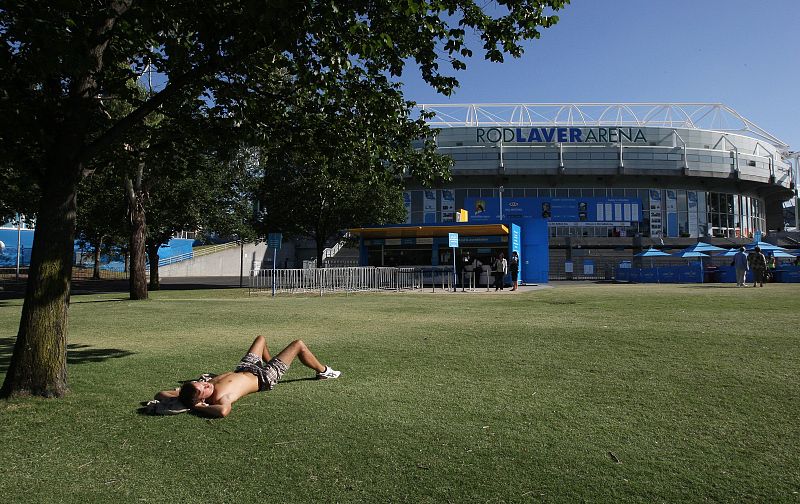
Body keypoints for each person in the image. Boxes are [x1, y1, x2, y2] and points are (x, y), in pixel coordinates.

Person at [155, 336, 340, 418]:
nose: (205, 385)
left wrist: (181, 396)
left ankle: (273, 361)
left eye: (199, 384)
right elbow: (223, 411)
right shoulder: (220, 398)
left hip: (245, 367)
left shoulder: (195, 389)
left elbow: (160, 394)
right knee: (298, 344)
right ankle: (323, 371)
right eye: (203, 390)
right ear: (202, 400)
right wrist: (197, 407)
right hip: (264, 378)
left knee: (261, 339)